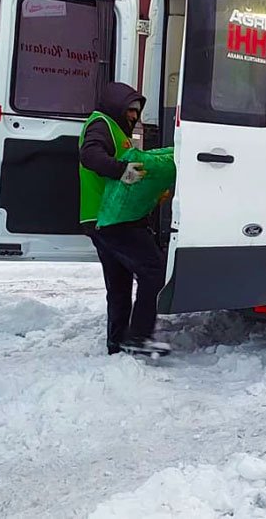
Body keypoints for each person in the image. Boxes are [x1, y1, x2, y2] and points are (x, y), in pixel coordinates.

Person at [79, 82, 171, 356]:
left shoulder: (114, 128)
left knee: (119, 285)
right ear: (116, 106)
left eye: (136, 111)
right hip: (112, 218)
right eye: (130, 110)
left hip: (102, 219)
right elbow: (90, 156)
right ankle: (139, 338)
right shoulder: (101, 124)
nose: (134, 116)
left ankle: (117, 344)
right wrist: (123, 171)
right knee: (154, 271)